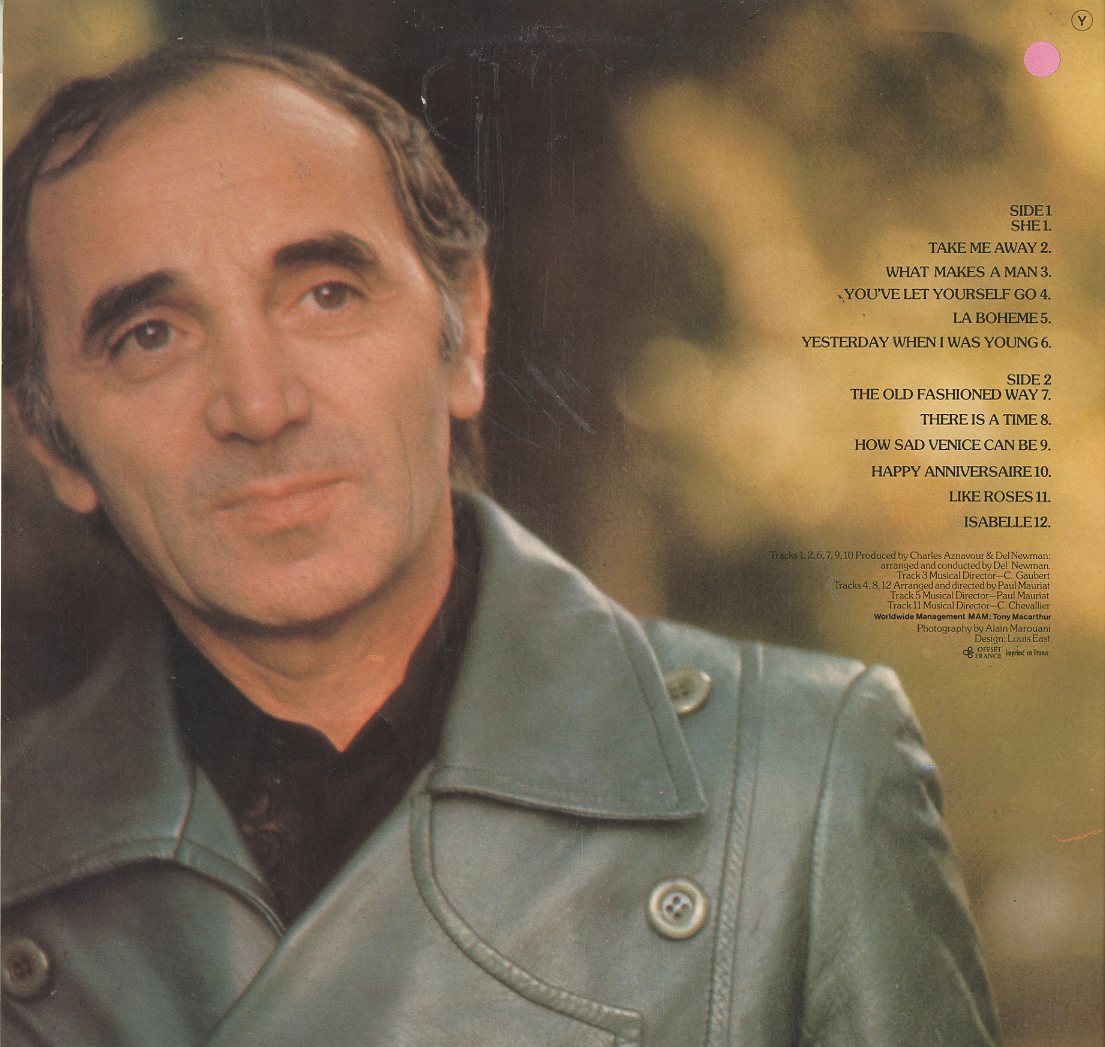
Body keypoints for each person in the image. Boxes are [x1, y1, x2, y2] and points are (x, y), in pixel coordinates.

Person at [1, 42, 1001, 1047]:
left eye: (326, 294)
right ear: (56, 444)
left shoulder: (802, 781)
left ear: (465, 333)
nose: (260, 405)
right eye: (150, 336)